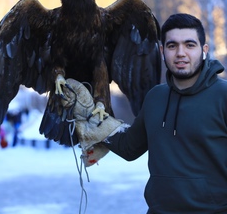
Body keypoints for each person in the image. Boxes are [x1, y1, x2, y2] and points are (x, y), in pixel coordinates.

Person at [63, 13, 227, 213]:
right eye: (172, 45)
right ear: (161, 50)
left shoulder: (222, 96)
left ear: (204, 50)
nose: (180, 53)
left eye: (190, 45)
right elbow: (129, 147)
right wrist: (89, 116)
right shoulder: (155, 98)